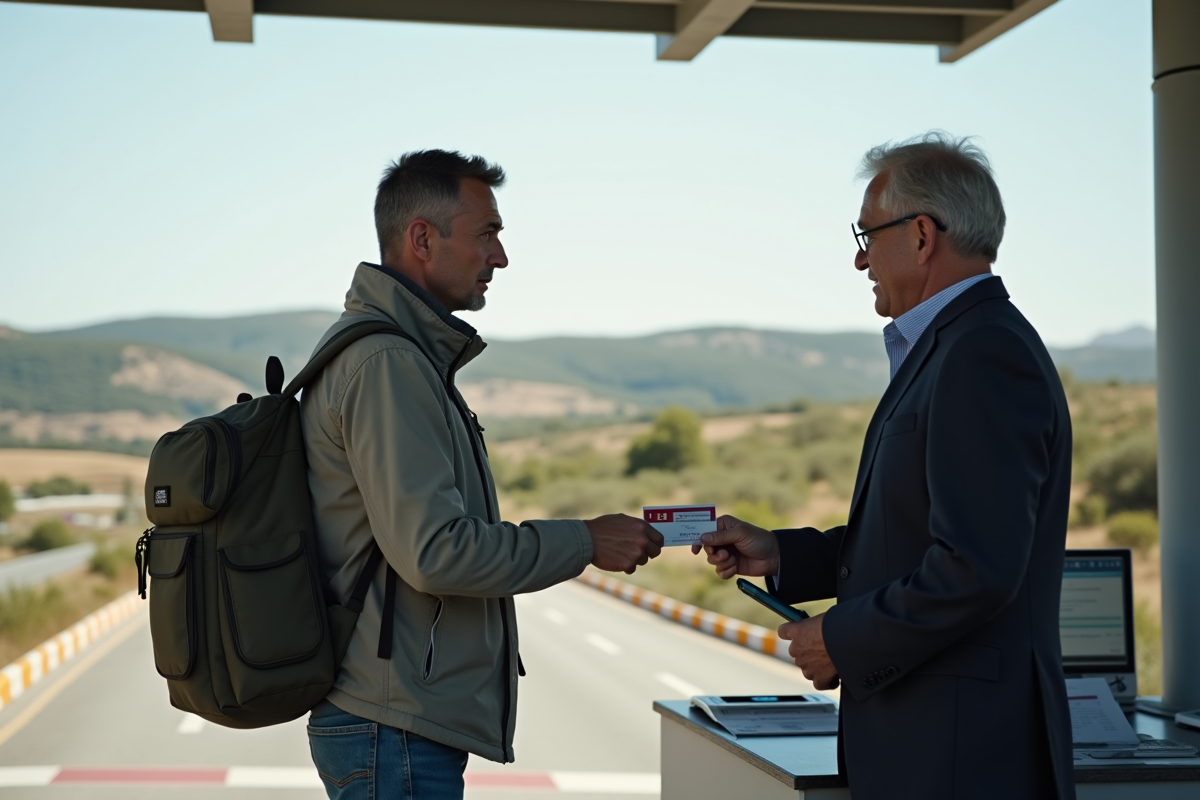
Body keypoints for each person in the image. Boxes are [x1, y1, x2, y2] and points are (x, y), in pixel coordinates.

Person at [698, 132, 1075, 800]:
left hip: (959, 758)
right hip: (937, 747)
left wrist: (841, 639)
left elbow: (975, 565)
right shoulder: (959, 346)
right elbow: (917, 536)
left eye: (867, 234)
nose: (858, 258)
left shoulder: (981, 353)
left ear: (923, 235)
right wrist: (783, 556)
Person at [300, 149, 664, 799]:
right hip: (393, 724)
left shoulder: (398, 356)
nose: (500, 258)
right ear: (422, 238)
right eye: (487, 234)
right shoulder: (387, 364)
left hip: (396, 720)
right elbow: (436, 553)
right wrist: (586, 540)